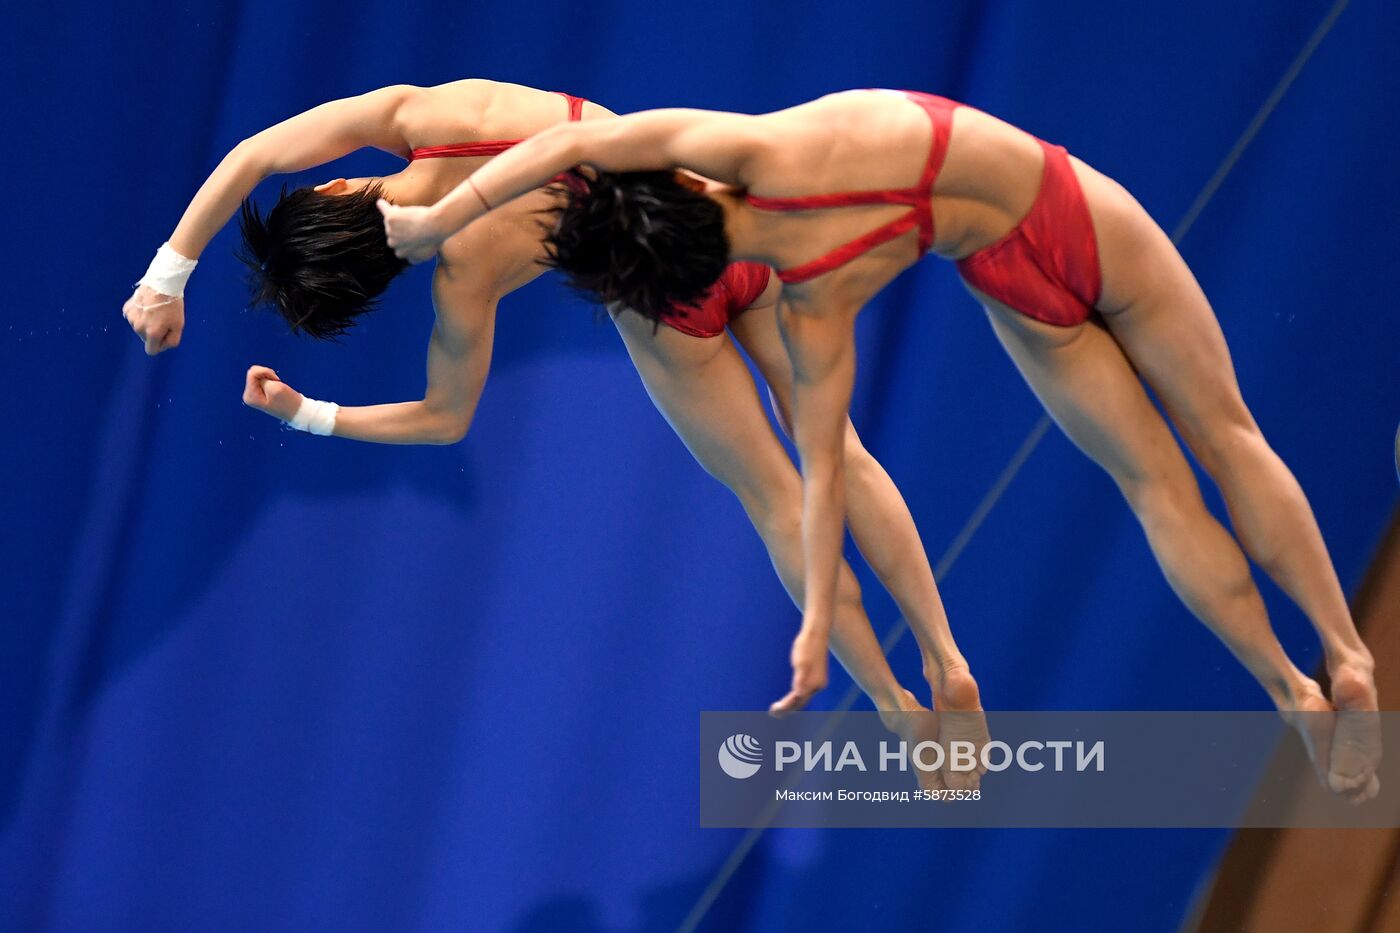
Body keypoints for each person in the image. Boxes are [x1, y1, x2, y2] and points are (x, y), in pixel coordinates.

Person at [377, 88, 1381, 801]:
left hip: (1008, 288)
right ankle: (1341, 655)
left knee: (1152, 484)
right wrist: (435, 223)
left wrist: (818, 630)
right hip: (1063, 210)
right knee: (1221, 434)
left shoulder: (812, 293)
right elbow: (562, 148)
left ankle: (1286, 692)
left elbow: (819, 482)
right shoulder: (755, 150)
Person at [120, 79, 987, 785]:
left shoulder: (462, 274)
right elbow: (253, 153)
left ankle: (892, 702)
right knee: (838, 449)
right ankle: (945, 652)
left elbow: (444, 418)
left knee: (771, 492)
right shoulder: (431, 116)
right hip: (723, 221)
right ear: (337, 183)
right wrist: (167, 277)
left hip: (661, 302)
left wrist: (306, 413)